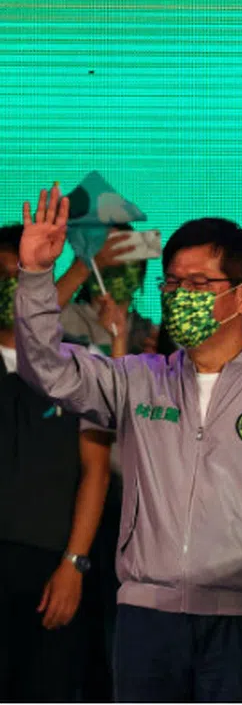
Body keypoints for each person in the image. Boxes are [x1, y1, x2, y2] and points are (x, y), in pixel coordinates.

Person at [16, 186, 242, 702]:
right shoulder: (139, 379)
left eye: (198, 283)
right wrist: (37, 275)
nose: (179, 295)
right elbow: (49, 371)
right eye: (172, 283)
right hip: (148, 619)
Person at [0, 224, 112, 701]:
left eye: (19, 276)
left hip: (49, 568)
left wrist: (73, 564)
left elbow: (96, 470)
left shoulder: (78, 366)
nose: (11, 289)